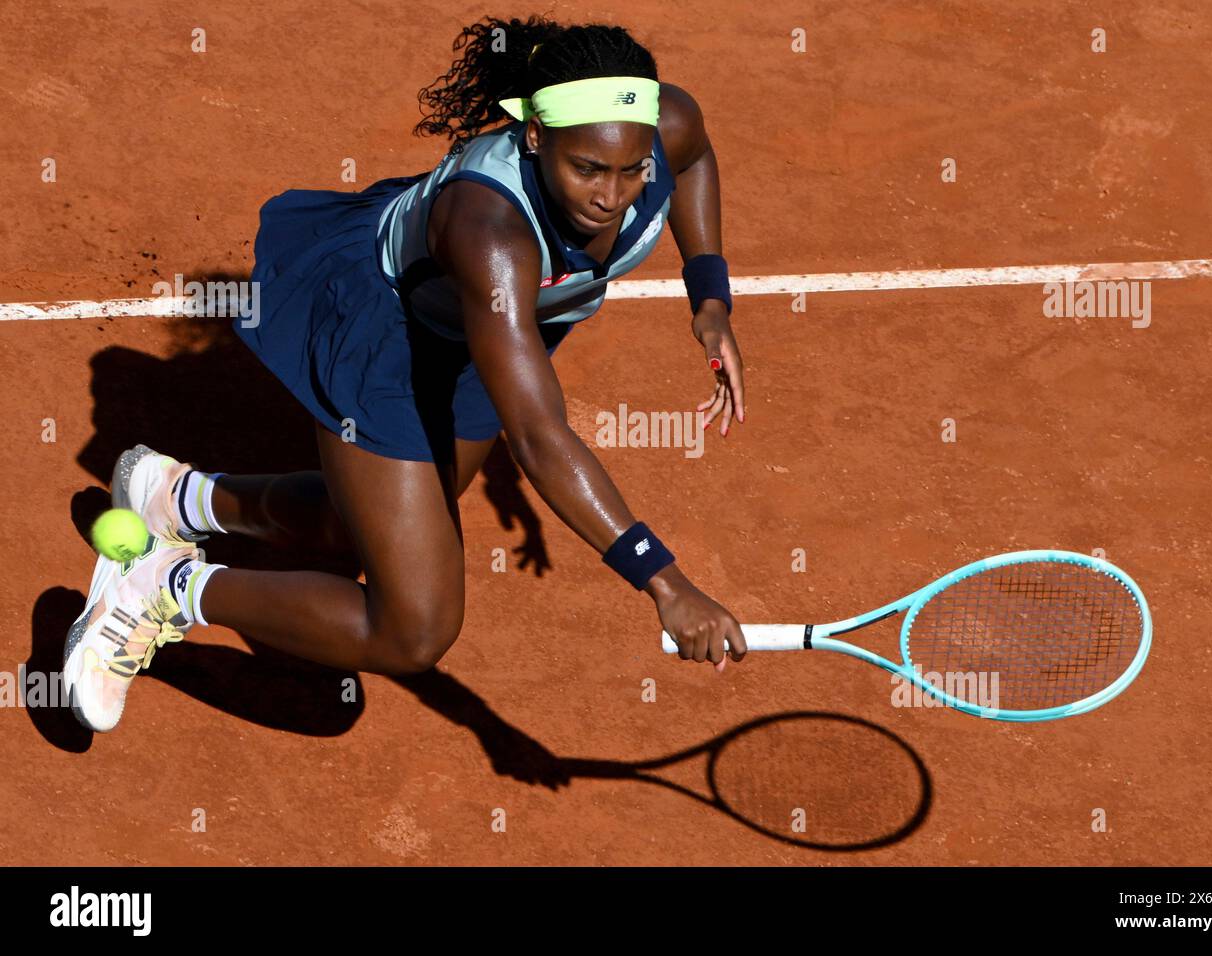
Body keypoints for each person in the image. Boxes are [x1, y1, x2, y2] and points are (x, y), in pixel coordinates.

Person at [64, 15, 748, 734]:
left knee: (372, 522)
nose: (612, 196)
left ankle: (177, 499)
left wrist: (710, 300)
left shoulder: (663, 126)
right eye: (588, 169)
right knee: (412, 630)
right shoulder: (491, 233)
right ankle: (157, 589)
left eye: (632, 168)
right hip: (388, 333)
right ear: (537, 136)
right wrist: (664, 583)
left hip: (490, 333)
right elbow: (540, 437)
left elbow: (695, 160)